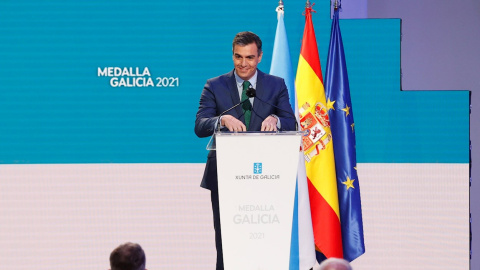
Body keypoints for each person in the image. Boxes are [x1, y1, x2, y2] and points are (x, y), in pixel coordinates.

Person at [195, 31, 296, 270]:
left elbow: (290, 122)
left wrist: (276, 120)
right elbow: (200, 125)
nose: (243, 64)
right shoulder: (214, 85)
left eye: (249, 58)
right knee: (227, 243)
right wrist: (222, 120)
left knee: (264, 243)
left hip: (267, 178)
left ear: (260, 56)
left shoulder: (276, 85)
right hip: (226, 177)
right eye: (238, 57)